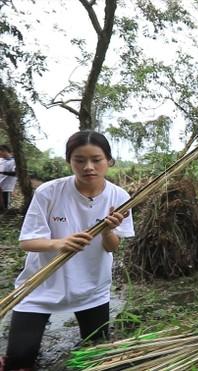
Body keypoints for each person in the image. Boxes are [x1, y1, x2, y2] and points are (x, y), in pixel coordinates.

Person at [1, 131, 134, 371]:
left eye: (96, 159)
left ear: (109, 161)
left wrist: (106, 231)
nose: (88, 167)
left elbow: (112, 247)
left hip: (91, 288)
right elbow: (27, 242)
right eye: (79, 160)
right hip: (40, 286)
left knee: (96, 356)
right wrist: (59, 243)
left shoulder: (119, 197)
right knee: (18, 362)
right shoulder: (49, 192)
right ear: (69, 161)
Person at [0, 144, 17, 210]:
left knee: (5, 205)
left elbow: (15, 173)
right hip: (0, 186)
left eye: (1, 151)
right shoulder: (1, 160)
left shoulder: (14, 161)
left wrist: (2, 172)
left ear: (5, 151)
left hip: (6, 187)